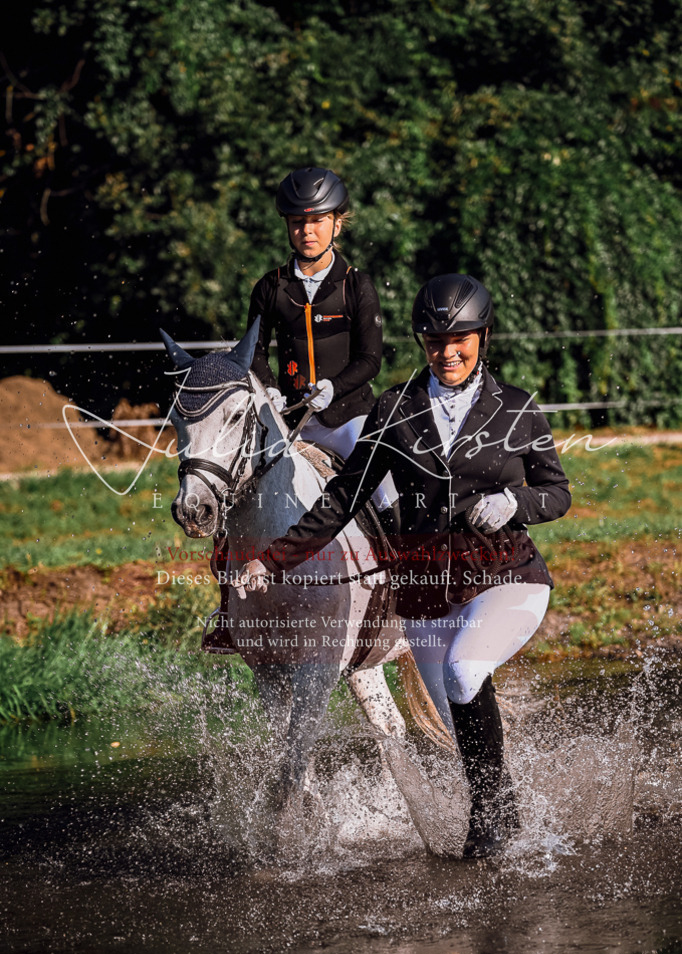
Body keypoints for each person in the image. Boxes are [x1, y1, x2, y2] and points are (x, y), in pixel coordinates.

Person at [233, 274, 572, 859]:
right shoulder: (397, 409)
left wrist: (518, 502)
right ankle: (505, 801)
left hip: (505, 576)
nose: (448, 352)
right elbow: (343, 496)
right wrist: (274, 557)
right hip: (425, 592)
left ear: (482, 337)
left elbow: (557, 492)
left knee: (466, 674)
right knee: (454, 714)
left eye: (460, 339)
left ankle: (489, 820)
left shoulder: (516, 408)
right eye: (436, 341)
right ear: (423, 344)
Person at [248, 165, 384, 460]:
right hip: (289, 418)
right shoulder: (270, 287)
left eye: (317, 220)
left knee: (385, 494)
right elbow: (253, 350)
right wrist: (269, 390)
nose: (307, 230)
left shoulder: (356, 285)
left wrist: (334, 388)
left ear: (336, 224)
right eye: (297, 221)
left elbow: (371, 359)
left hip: (348, 418)